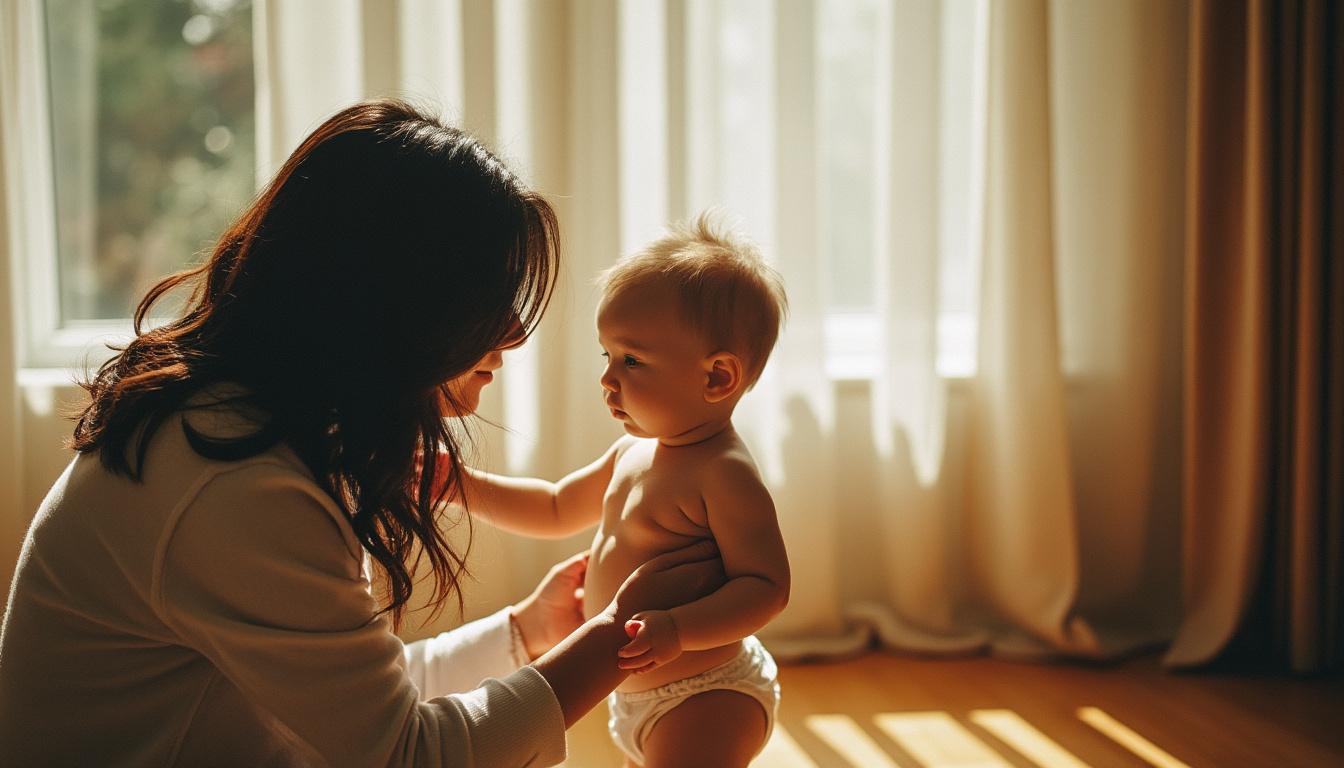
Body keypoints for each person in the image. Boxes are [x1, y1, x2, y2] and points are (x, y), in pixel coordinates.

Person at [0, 99, 724, 767]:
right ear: (395, 306)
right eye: (488, 300)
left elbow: (341, 707)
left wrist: (528, 634)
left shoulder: (248, 428)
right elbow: (403, 755)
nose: (513, 335)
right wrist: (610, 645)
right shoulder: (236, 486)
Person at [456, 213, 791, 767]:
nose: (608, 379)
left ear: (716, 378)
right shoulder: (633, 454)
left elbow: (766, 588)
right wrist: (463, 486)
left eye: (632, 360)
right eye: (607, 355)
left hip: (707, 691)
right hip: (636, 689)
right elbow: (557, 507)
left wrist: (679, 629)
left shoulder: (724, 473)